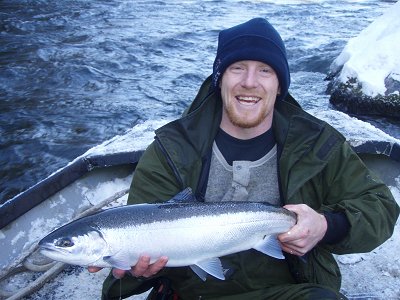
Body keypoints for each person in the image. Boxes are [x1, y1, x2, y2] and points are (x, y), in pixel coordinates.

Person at [89, 18, 399, 300]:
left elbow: (380, 208)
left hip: (291, 291)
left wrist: (325, 225)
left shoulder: (317, 144)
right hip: (191, 293)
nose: (250, 82)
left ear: (279, 86)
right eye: (238, 67)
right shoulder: (172, 150)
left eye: (265, 70)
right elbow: (130, 262)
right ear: (219, 79)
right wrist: (135, 270)